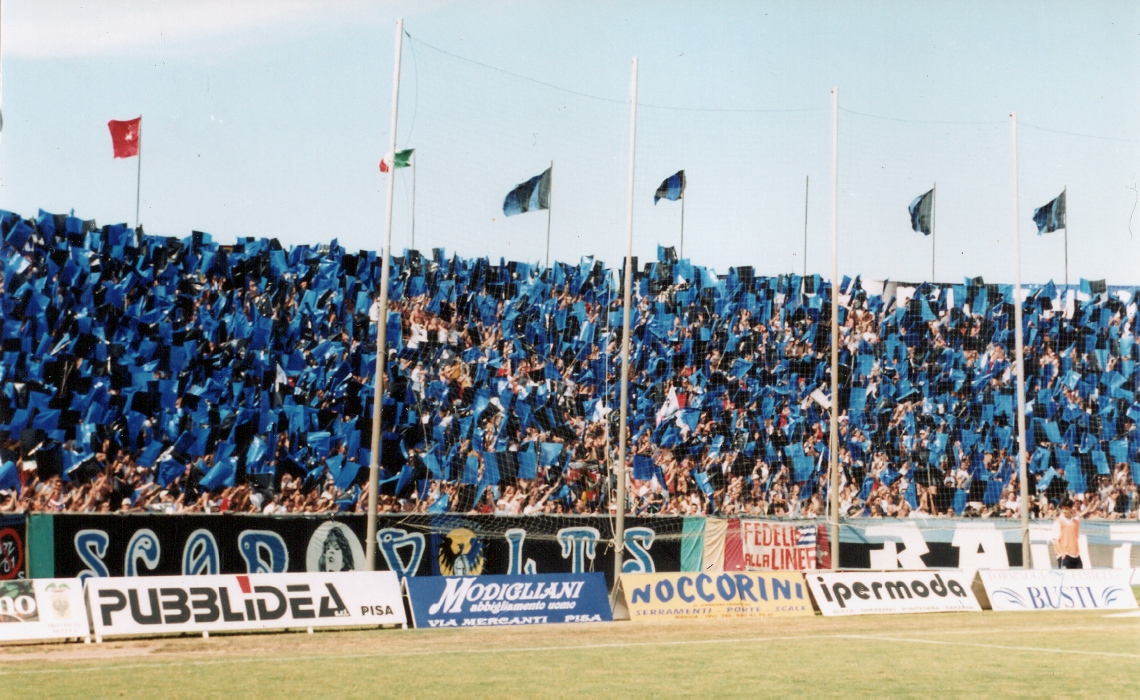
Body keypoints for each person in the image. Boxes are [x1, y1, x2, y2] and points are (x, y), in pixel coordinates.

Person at [1051, 497, 1082, 569]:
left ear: (1071, 509)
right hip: (1065, 555)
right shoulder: (1058, 522)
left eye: (1066, 508)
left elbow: (1077, 536)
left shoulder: (1076, 522)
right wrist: (1062, 554)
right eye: (1063, 508)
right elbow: (1055, 540)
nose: (1064, 511)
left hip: (1075, 555)